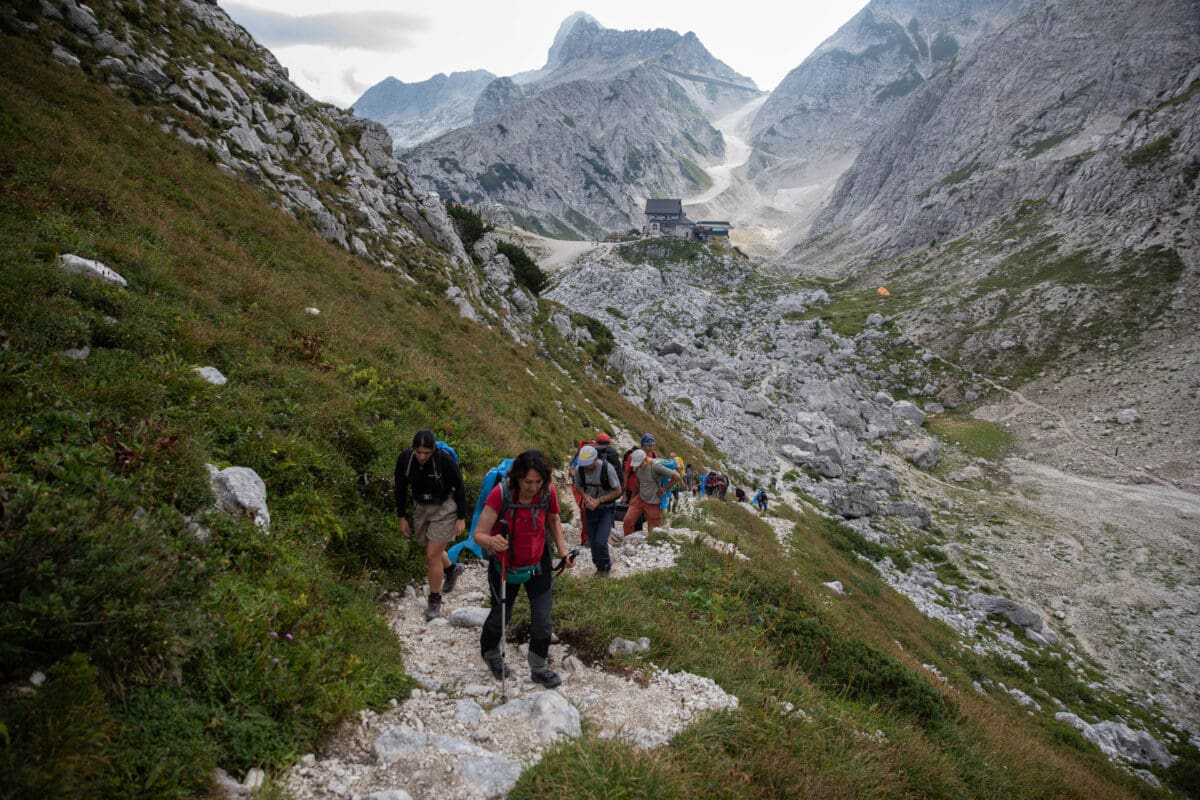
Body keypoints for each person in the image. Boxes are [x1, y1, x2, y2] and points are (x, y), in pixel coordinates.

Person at [473, 449, 575, 687]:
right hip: (505, 564)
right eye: (528, 481)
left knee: (543, 620)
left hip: (538, 562)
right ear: (518, 477)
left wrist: (563, 551)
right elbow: (479, 533)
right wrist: (491, 542)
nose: (533, 487)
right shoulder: (502, 494)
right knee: (502, 613)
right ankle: (490, 653)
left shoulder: (547, 492)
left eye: (539, 481)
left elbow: (553, 520)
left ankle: (538, 667)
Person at [395, 429, 468, 620]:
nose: (422, 457)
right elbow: (400, 487)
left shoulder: (443, 460)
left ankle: (434, 601)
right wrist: (401, 516)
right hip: (421, 507)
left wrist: (461, 517)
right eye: (418, 452)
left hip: (444, 508)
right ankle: (452, 570)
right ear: (413, 449)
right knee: (428, 548)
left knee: (431, 554)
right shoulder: (405, 460)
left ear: (433, 449)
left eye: (426, 453)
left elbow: (460, 487)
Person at [572, 445, 622, 576]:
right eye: (584, 464)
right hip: (590, 509)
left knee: (600, 540)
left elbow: (618, 490)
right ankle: (598, 567)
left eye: (589, 464)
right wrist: (585, 496)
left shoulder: (607, 469)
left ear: (596, 459)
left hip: (607, 509)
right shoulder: (580, 469)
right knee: (592, 540)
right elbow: (578, 486)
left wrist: (599, 500)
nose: (586, 467)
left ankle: (606, 567)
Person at [622, 449, 683, 536]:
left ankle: (652, 545)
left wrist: (664, 489)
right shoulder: (638, 467)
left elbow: (676, 477)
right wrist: (632, 498)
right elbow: (638, 482)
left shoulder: (655, 466)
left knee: (653, 530)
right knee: (627, 521)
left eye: (639, 464)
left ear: (644, 459)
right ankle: (627, 541)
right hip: (640, 499)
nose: (637, 466)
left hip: (653, 503)